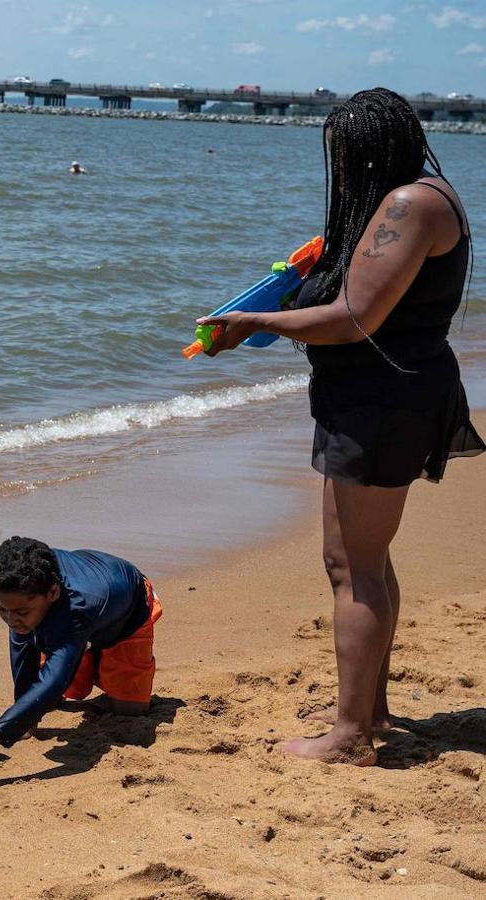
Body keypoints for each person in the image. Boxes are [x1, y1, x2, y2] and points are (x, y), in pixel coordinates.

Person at [197, 87, 482, 766]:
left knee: (355, 569)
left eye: (343, 156)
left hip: (384, 398)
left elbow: (354, 317)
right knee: (356, 561)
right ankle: (368, 709)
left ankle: (349, 736)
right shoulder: (413, 195)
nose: (342, 171)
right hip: (376, 393)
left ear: (369, 147)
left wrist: (252, 323)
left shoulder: (409, 203)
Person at [0, 536, 163, 787]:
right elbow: (23, 652)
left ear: (53, 592)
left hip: (128, 614)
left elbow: (55, 680)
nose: (10, 620)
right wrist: (25, 720)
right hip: (73, 622)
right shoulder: (24, 584)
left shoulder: (75, 605)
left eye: (20, 612)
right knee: (66, 692)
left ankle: (94, 657)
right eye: (2, 609)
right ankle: (86, 655)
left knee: (129, 712)